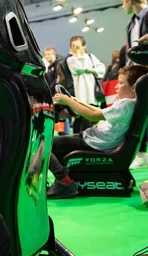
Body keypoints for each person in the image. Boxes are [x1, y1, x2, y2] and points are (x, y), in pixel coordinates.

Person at [46, 65, 148, 199]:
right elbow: (98, 112)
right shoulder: (131, 103)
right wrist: (78, 102)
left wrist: (68, 101)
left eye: (121, 83)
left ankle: (64, 182)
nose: (116, 86)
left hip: (94, 143)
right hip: (93, 140)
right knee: (51, 144)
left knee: (42, 145)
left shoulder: (126, 104)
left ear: (135, 87)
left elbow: (93, 115)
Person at [66, 36, 105, 133]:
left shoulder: (91, 57)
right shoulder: (71, 60)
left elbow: (101, 70)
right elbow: (78, 69)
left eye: (78, 45)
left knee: (91, 121)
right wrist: (78, 54)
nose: (76, 48)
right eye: (74, 46)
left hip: (92, 94)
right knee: (80, 119)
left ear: (85, 46)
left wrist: (91, 70)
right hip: (80, 95)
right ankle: (77, 141)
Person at [117, 0, 148, 64]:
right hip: (139, 71)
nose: (122, 6)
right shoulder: (130, 25)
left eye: (123, 1)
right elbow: (130, 54)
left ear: (129, 0)